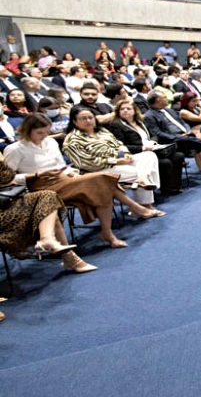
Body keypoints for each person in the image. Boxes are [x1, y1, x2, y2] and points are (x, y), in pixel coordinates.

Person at [4, 114, 163, 248]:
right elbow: (8, 180)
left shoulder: (50, 142)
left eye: (47, 132)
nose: (44, 136)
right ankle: (129, 214)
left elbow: (61, 165)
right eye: (40, 133)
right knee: (103, 181)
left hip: (64, 178)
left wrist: (70, 171)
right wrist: (37, 174)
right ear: (27, 131)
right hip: (40, 186)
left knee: (103, 184)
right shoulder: (14, 149)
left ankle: (111, 230)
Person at [0, 157, 96, 273]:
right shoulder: (13, 149)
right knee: (49, 213)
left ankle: (47, 239)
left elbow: (10, 176)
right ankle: (68, 257)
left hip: (9, 201)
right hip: (4, 213)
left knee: (48, 197)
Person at [63, 107, 163, 209]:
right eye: (83, 118)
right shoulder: (72, 140)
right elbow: (85, 163)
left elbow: (118, 144)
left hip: (119, 161)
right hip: (97, 170)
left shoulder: (102, 131)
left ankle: (143, 179)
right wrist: (116, 161)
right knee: (138, 171)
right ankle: (146, 205)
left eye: (90, 117)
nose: (88, 120)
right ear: (75, 122)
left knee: (148, 155)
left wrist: (124, 154)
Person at [143, 92, 201, 182]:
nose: (167, 99)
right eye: (164, 97)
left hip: (185, 137)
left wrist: (188, 131)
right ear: (158, 101)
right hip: (172, 141)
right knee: (200, 142)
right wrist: (178, 136)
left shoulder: (170, 111)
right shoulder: (149, 116)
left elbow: (183, 123)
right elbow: (158, 134)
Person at [108, 100, 186, 195]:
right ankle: (164, 189)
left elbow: (154, 134)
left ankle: (174, 187)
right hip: (136, 153)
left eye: (128, 108)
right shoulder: (116, 125)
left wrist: (153, 142)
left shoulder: (141, 121)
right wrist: (143, 148)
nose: (125, 111)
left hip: (152, 149)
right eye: (122, 109)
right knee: (165, 162)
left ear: (134, 110)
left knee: (178, 156)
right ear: (118, 112)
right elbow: (121, 145)